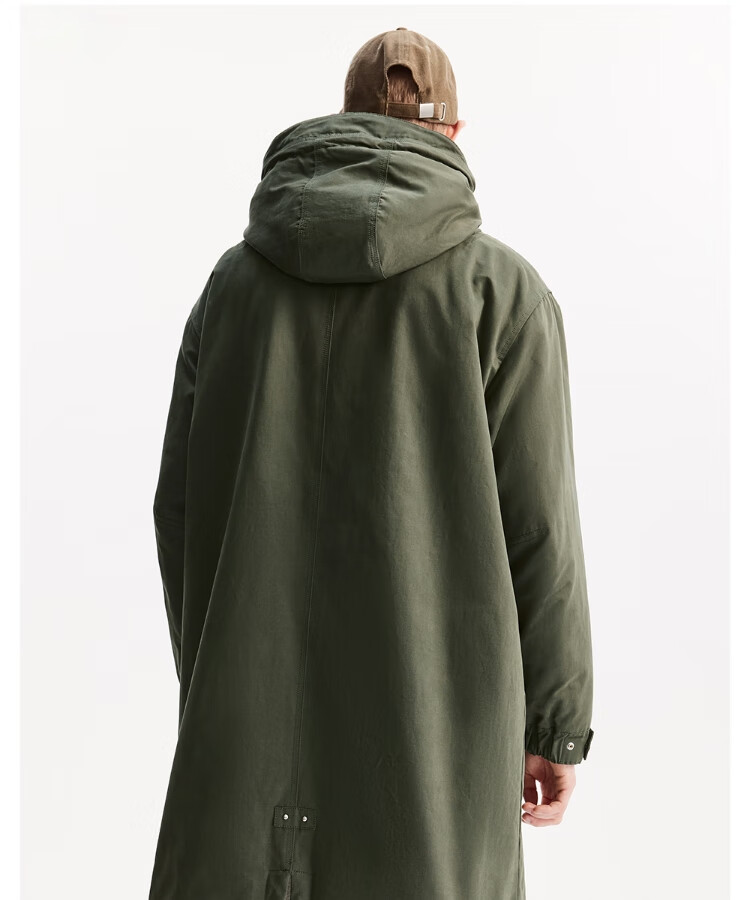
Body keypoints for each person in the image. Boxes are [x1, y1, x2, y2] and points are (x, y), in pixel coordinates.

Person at [149, 26, 595, 900]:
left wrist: (217, 674)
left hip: (240, 755)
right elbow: (543, 531)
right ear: (454, 134)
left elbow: (178, 512)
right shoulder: (501, 295)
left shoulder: (231, 290)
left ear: (347, 119)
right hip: (430, 773)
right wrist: (555, 728)